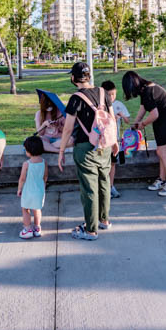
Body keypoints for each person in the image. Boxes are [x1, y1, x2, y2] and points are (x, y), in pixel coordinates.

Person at [56, 62, 113, 240]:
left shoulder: (76, 98)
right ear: (89, 76)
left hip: (85, 148)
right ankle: (104, 220)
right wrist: (115, 142)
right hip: (105, 146)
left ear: (73, 78)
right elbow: (111, 119)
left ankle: (90, 230)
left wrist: (61, 151)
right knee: (104, 183)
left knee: (89, 189)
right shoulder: (104, 92)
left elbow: (67, 129)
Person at [122, 70, 166, 197]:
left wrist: (143, 124)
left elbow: (154, 114)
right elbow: (143, 108)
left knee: (163, 153)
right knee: (161, 152)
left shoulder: (147, 91)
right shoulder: (146, 88)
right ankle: (162, 180)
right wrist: (136, 122)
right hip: (163, 120)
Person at [101, 80, 131, 199]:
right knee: (103, 164)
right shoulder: (101, 106)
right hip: (103, 141)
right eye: (109, 95)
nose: (111, 97)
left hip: (115, 140)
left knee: (113, 164)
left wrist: (121, 115)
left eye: (113, 94)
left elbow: (128, 120)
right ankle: (104, 188)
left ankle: (111, 186)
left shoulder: (118, 104)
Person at [17, 136, 48, 239]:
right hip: (39, 190)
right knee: (37, 209)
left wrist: (19, 189)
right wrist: (43, 186)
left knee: (25, 209)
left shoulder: (26, 164)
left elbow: (22, 179)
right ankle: (37, 228)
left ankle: (27, 229)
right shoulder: (44, 162)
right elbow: (45, 176)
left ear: (29, 151)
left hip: (28, 191)